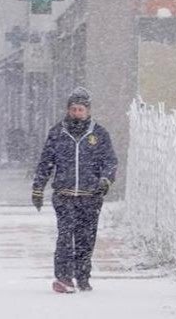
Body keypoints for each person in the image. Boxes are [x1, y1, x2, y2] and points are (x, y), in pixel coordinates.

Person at [31, 87, 117, 293]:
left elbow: (110, 161)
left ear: (88, 111)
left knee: (86, 238)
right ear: (68, 110)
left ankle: (83, 276)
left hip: (90, 197)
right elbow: (46, 163)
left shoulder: (99, 134)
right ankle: (63, 277)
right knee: (65, 236)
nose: (77, 113)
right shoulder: (57, 133)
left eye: (81, 110)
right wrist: (38, 188)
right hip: (65, 195)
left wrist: (105, 179)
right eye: (74, 109)